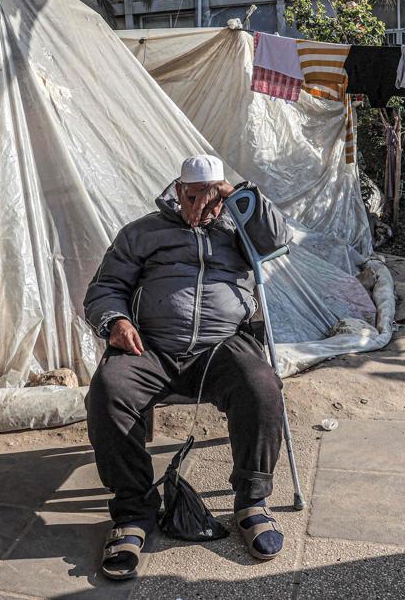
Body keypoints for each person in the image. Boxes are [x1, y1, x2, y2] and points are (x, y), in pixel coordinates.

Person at [84, 155, 292, 580]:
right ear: (177, 191)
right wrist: (117, 322)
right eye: (194, 197)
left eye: (212, 199)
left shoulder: (237, 231)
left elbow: (276, 238)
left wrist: (233, 197)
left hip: (221, 347)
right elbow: (105, 287)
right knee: (110, 389)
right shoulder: (143, 232)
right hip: (153, 347)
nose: (203, 209)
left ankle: (252, 502)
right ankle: (133, 513)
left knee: (261, 384)